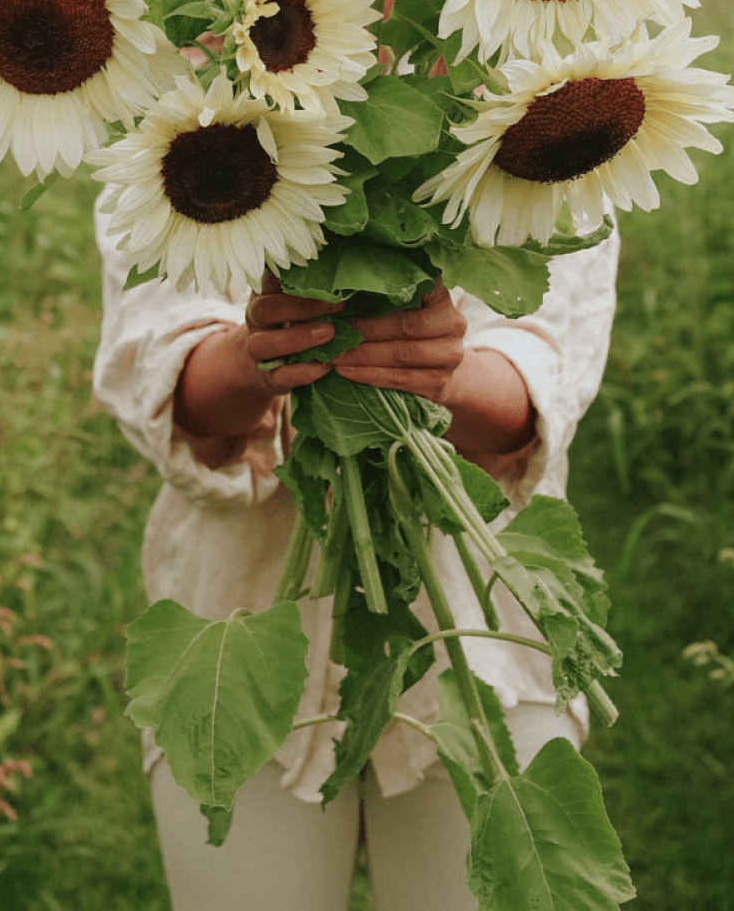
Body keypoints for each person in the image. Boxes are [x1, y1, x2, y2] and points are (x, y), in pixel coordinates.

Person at [92, 201, 620, 911]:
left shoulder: (551, 113)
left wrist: (443, 374)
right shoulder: (171, 113)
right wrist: (260, 353)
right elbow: (158, 362)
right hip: (240, 589)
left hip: (480, 634)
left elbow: (544, 368)